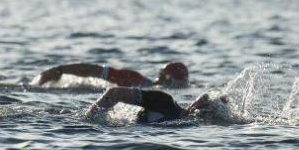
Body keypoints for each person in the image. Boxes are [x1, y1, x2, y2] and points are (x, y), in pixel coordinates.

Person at [86, 87, 229, 124]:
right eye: (206, 103)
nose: (204, 109)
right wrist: (90, 119)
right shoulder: (165, 101)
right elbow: (114, 93)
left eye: (210, 109)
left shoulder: (182, 129)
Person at [35, 61, 189, 88]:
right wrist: (60, 70)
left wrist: (61, 70)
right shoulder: (136, 80)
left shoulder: (137, 81)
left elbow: (91, 70)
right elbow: (92, 70)